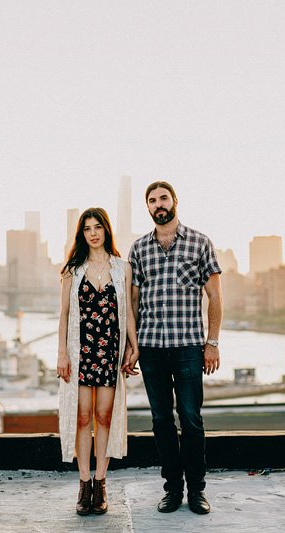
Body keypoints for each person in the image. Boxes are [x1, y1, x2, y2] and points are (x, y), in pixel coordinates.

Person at [123, 181, 223, 515]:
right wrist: (131, 347)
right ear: (148, 208)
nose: (158, 204)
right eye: (152, 201)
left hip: (189, 348)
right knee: (162, 420)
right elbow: (133, 302)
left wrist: (213, 343)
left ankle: (197, 491)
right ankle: (172, 489)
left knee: (192, 419)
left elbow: (216, 297)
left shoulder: (200, 243)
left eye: (163, 198)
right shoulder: (138, 249)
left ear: (175, 201)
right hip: (151, 348)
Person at [57, 207, 139, 516]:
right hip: (81, 351)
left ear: (106, 230)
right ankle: (83, 484)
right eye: (87, 228)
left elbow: (129, 312)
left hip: (109, 352)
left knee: (104, 417)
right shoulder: (72, 270)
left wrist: (133, 346)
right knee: (82, 417)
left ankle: (101, 482)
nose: (93, 233)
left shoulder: (122, 268)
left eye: (98, 227)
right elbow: (64, 314)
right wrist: (62, 353)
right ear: (82, 234)